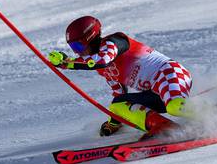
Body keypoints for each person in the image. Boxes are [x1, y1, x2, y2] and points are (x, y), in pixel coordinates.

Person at [48, 16, 194, 137]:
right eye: (73, 48)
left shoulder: (114, 42)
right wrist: (114, 122)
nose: (77, 53)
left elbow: (103, 60)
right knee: (117, 104)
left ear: (91, 38)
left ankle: (213, 114)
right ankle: (163, 128)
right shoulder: (102, 67)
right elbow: (120, 93)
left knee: (174, 108)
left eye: (78, 47)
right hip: (155, 93)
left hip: (170, 74)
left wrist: (68, 64)